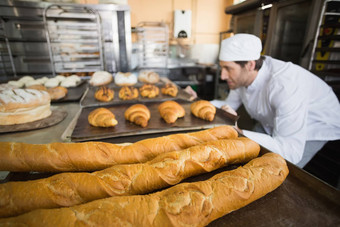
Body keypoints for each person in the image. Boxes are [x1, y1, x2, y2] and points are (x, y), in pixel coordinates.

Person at [186, 33, 340, 168]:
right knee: (251, 158)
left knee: (282, 168)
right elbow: (228, 104)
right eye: (222, 68)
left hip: (315, 125)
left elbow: (290, 151)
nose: (223, 76)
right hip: (272, 120)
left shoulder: (284, 85)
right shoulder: (243, 77)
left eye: (228, 69)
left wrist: (239, 132)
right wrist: (195, 101)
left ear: (250, 65)